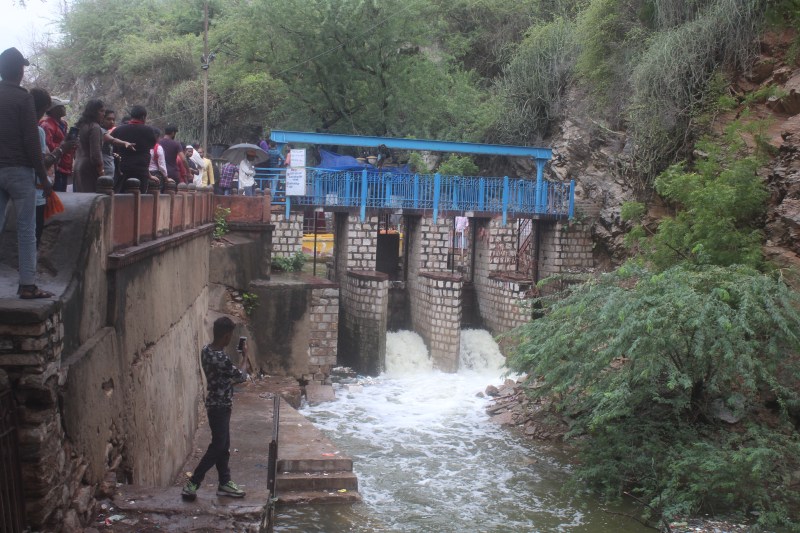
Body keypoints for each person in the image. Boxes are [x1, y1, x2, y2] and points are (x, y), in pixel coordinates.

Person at [0, 47, 52, 299]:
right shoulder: (23, 98)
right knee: (26, 229)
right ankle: (28, 285)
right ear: (20, 71)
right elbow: (32, 142)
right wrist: (43, 177)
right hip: (19, 171)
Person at [182, 316, 249, 501]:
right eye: (231, 335)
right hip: (221, 407)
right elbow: (241, 376)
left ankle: (224, 483)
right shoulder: (222, 358)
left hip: (213, 404)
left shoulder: (205, 350)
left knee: (223, 445)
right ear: (227, 336)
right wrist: (245, 357)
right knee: (218, 446)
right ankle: (193, 483)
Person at [113, 105, 157, 193]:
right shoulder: (149, 131)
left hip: (122, 170)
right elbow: (151, 146)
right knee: (140, 198)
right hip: (141, 171)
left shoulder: (118, 130)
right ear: (143, 117)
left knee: (121, 197)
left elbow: (114, 149)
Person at [39, 96, 74, 192]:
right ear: (53, 110)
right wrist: (64, 147)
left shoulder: (63, 123)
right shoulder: (46, 125)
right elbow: (47, 148)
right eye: (61, 106)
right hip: (55, 167)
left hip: (64, 165)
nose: (64, 108)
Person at [73, 99, 106, 192]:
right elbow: (95, 155)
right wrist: (102, 173)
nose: (104, 114)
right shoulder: (95, 127)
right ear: (93, 112)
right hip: (89, 169)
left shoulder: (80, 126)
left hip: (78, 166)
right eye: (101, 111)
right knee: (91, 201)